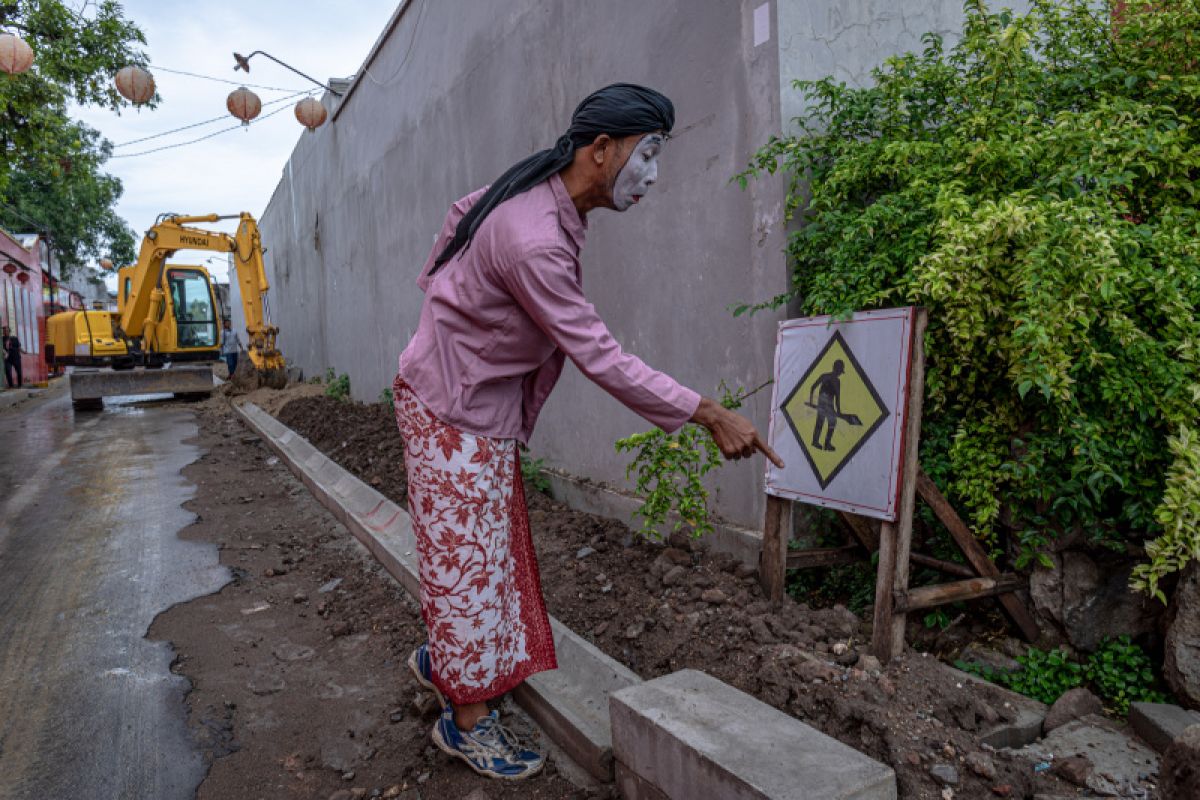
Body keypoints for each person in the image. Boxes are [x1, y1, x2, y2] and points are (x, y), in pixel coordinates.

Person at [393, 83, 783, 780]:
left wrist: (454, 322)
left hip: (459, 398)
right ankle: (466, 721)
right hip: (453, 410)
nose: (654, 177)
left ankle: (444, 659)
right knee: (471, 568)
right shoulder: (536, 237)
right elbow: (599, 354)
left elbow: (452, 235)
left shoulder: (537, 197)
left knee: (475, 554)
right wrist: (708, 412)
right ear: (600, 150)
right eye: (649, 155)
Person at [809, 360, 845, 451]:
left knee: (825, 422)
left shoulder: (830, 378)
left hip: (825, 403)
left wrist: (811, 402)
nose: (840, 374)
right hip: (825, 403)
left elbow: (837, 397)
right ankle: (822, 443)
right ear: (837, 369)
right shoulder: (831, 378)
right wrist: (811, 402)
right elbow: (813, 387)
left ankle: (820, 442)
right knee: (827, 422)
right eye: (840, 371)